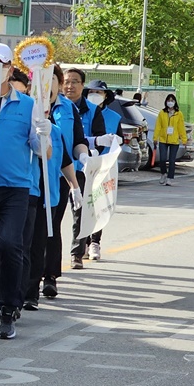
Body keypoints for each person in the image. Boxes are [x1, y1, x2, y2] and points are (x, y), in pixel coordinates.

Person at [0, 43, 50, 340]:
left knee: (9, 245)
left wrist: (43, 133)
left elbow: (42, 151)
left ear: (9, 69)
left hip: (16, 188)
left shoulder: (28, 105)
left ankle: (9, 308)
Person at [21, 80, 82, 310]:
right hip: (24, 192)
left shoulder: (54, 131)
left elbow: (65, 161)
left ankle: (30, 292)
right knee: (21, 244)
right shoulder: (22, 125)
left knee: (38, 244)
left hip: (48, 195)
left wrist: (74, 187)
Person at [43, 65, 88, 298]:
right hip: (30, 175)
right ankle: (28, 277)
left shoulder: (68, 108)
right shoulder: (27, 104)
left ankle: (50, 277)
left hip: (59, 175)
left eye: (51, 78)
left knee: (52, 223)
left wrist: (84, 156)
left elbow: (77, 140)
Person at [72, 78, 122, 265]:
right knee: (82, 208)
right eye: (92, 92)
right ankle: (81, 244)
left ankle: (95, 242)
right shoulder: (79, 111)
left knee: (98, 204)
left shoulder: (114, 117)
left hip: (104, 166)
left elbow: (118, 141)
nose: (95, 95)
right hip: (82, 165)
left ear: (105, 95)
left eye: (99, 92)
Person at [155, 94, 188, 185]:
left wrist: (184, 140)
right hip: (163, 139)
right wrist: (155, 137)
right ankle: (163, 173)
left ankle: (170, 178)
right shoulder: (162, 113)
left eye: (172, 100)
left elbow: (181, 127)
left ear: (175, 102)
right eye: (168, 100)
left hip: (174, 140)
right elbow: (158, 126)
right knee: (162, 159)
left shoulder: (178, 114)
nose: (170, 102)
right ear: (166, 102)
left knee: (172, 160)